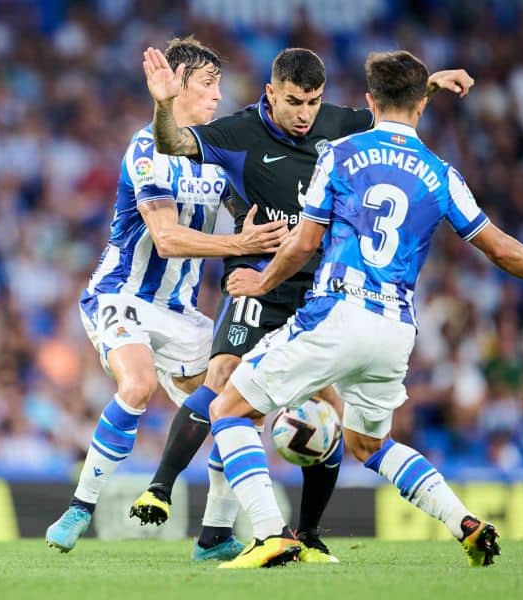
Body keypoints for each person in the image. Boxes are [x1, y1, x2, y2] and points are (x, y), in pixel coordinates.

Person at [207, 49, 523, 568]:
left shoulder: (338, 154)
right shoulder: (441, 173)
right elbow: (498, 246)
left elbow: (301, 244)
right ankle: (463, 522)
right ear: (421, 106)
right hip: (395, 330)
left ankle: (271, 533)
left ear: (368, 101)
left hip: (338, 312)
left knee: (227, 410)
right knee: (367, 444)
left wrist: (260, 280)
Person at [130, 44, 475, 562]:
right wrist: (162, 105)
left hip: (320, 292)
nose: (304, 114)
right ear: (271, 93)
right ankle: (160, 486)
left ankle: (306, 534)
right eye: (293, 102)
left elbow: (392, 105)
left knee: (329, 416)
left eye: (313, 103)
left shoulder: (342, 126)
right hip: (261, 282)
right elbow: (174, 141)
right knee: (222, 376)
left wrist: (430, 83)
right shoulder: (238, 133)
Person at [44, 37, 288, 557]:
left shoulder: (219, 160)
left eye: (220, 85)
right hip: (122, 296)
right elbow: (167, 237)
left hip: (182, 314)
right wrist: (238, 243)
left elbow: (251, 224)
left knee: (238, 405)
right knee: (138, 385)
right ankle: (81, 507)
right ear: (174, 86)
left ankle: (215, 536)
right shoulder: (146, 148)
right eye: (207, 84)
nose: (218, 96)